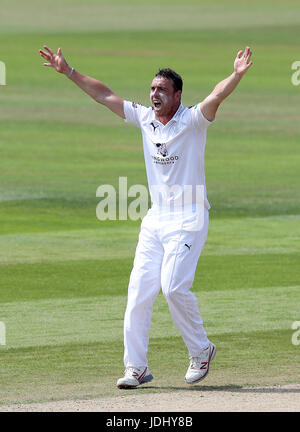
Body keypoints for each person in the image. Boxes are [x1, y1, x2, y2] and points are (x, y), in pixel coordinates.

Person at [39, 45, 253, 389]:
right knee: (138, 293)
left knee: (172, 287)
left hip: (190, 216)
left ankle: (201, 350)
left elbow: (216, 95)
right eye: (152, 89)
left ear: (177, 95)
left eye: (162, 90)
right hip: (156, 219)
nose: (154, 94)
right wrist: (69, 71)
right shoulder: (145, 118)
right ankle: (136, 367)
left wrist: (237, 74)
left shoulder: (194, 120)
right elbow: (105, 95)